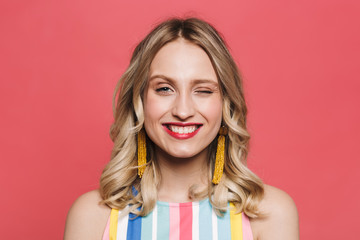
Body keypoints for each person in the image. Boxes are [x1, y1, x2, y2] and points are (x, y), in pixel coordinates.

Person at [64, 17, 299, 240]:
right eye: (165, 89)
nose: (183, 111)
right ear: (140, 102)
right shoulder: (93, 216)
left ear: (226, 104)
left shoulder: (268, 214)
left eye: (203, 90)